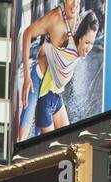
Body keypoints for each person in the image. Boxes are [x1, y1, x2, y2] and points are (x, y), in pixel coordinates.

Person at [16, 3, 99, 140]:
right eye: (87, 43)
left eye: (77, 3)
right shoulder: (56, 18)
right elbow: (28, 33)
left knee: (51, 136)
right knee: (23, 136)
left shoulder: (79, 22)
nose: (74, 6)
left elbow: (90, 21)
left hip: (54, 91)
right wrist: (26, 76)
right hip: (39, 79)